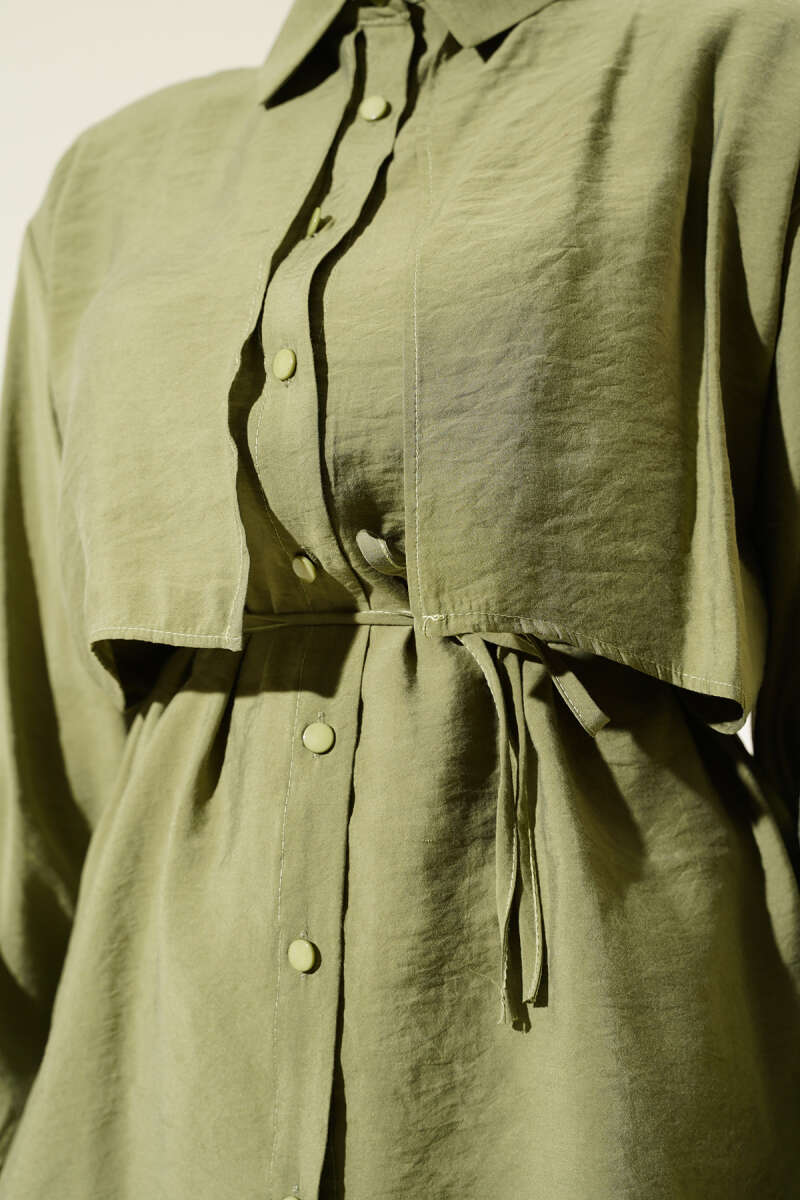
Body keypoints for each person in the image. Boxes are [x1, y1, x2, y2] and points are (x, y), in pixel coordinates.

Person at [1, 0, 799, 1195]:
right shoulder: (110, 179)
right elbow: (38, 740)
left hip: (584, 1090)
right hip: (159, 1091)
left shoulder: (737, 75)